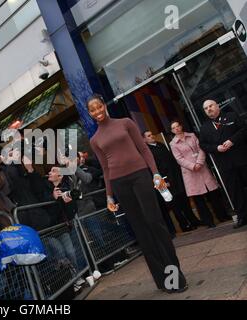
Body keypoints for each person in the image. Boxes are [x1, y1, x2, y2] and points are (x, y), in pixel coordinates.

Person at [87, 94, 187, 293]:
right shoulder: (94, 139)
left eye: (99, 106)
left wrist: (156, 173)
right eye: (93, 110)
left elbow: (144, 149)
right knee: (141, 231)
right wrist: (109, 196)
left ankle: (175, 277)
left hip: (140, 175)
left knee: (154, 222)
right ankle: (163, 282)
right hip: (119, 183)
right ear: (90, 113)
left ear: (104, 105)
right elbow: (105, 168)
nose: (97, 111)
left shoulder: (125, 123)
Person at [169, 121, 231, 228]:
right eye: (174, 128)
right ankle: (209, 222)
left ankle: (222, 216)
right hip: (190, 172)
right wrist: (193, 166)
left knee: (213, 193)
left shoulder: (192, 136)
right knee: (199, 199)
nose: (177, 129)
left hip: (201, 167)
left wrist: (199, 162)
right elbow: (179, 159)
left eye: (178, 126)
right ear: (172, 131)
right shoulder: (173, 144)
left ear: (181, 126)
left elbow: (201, 148)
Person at [199, 100, 247, 228]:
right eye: (205, 108)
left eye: (211, 106)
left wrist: (232, 140)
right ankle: (243, 216)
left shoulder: (231, 116)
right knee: (235, 191)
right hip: (225, 164)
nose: (209, 109)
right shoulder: (204, 128)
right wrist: (216, 148)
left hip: (242, 158)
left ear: (217, 106)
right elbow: (203, 145)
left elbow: (244, 129)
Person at [143, 131, 202, 233]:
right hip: (163, 181)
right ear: (144, 139)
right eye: (148, 136)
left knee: (184, 200)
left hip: (174, 177)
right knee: (174, 204)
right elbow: (153, 168)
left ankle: (194, 221)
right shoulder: (146, 151)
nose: (152, 136)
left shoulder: (161, 145)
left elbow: (170, 161)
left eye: (152, 134)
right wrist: (163, 181)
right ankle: (184, 225)